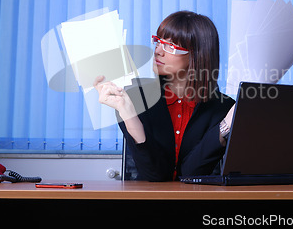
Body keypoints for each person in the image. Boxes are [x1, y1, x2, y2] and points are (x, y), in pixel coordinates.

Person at [94, 11, 235, 181]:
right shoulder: (132, 99)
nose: (158, 51)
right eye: (158, 42)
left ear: (197, 55)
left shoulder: (224, 108)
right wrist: (129, 114)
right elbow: (155, 175)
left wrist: (225, 126)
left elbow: (191, 175)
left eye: (170, 46)